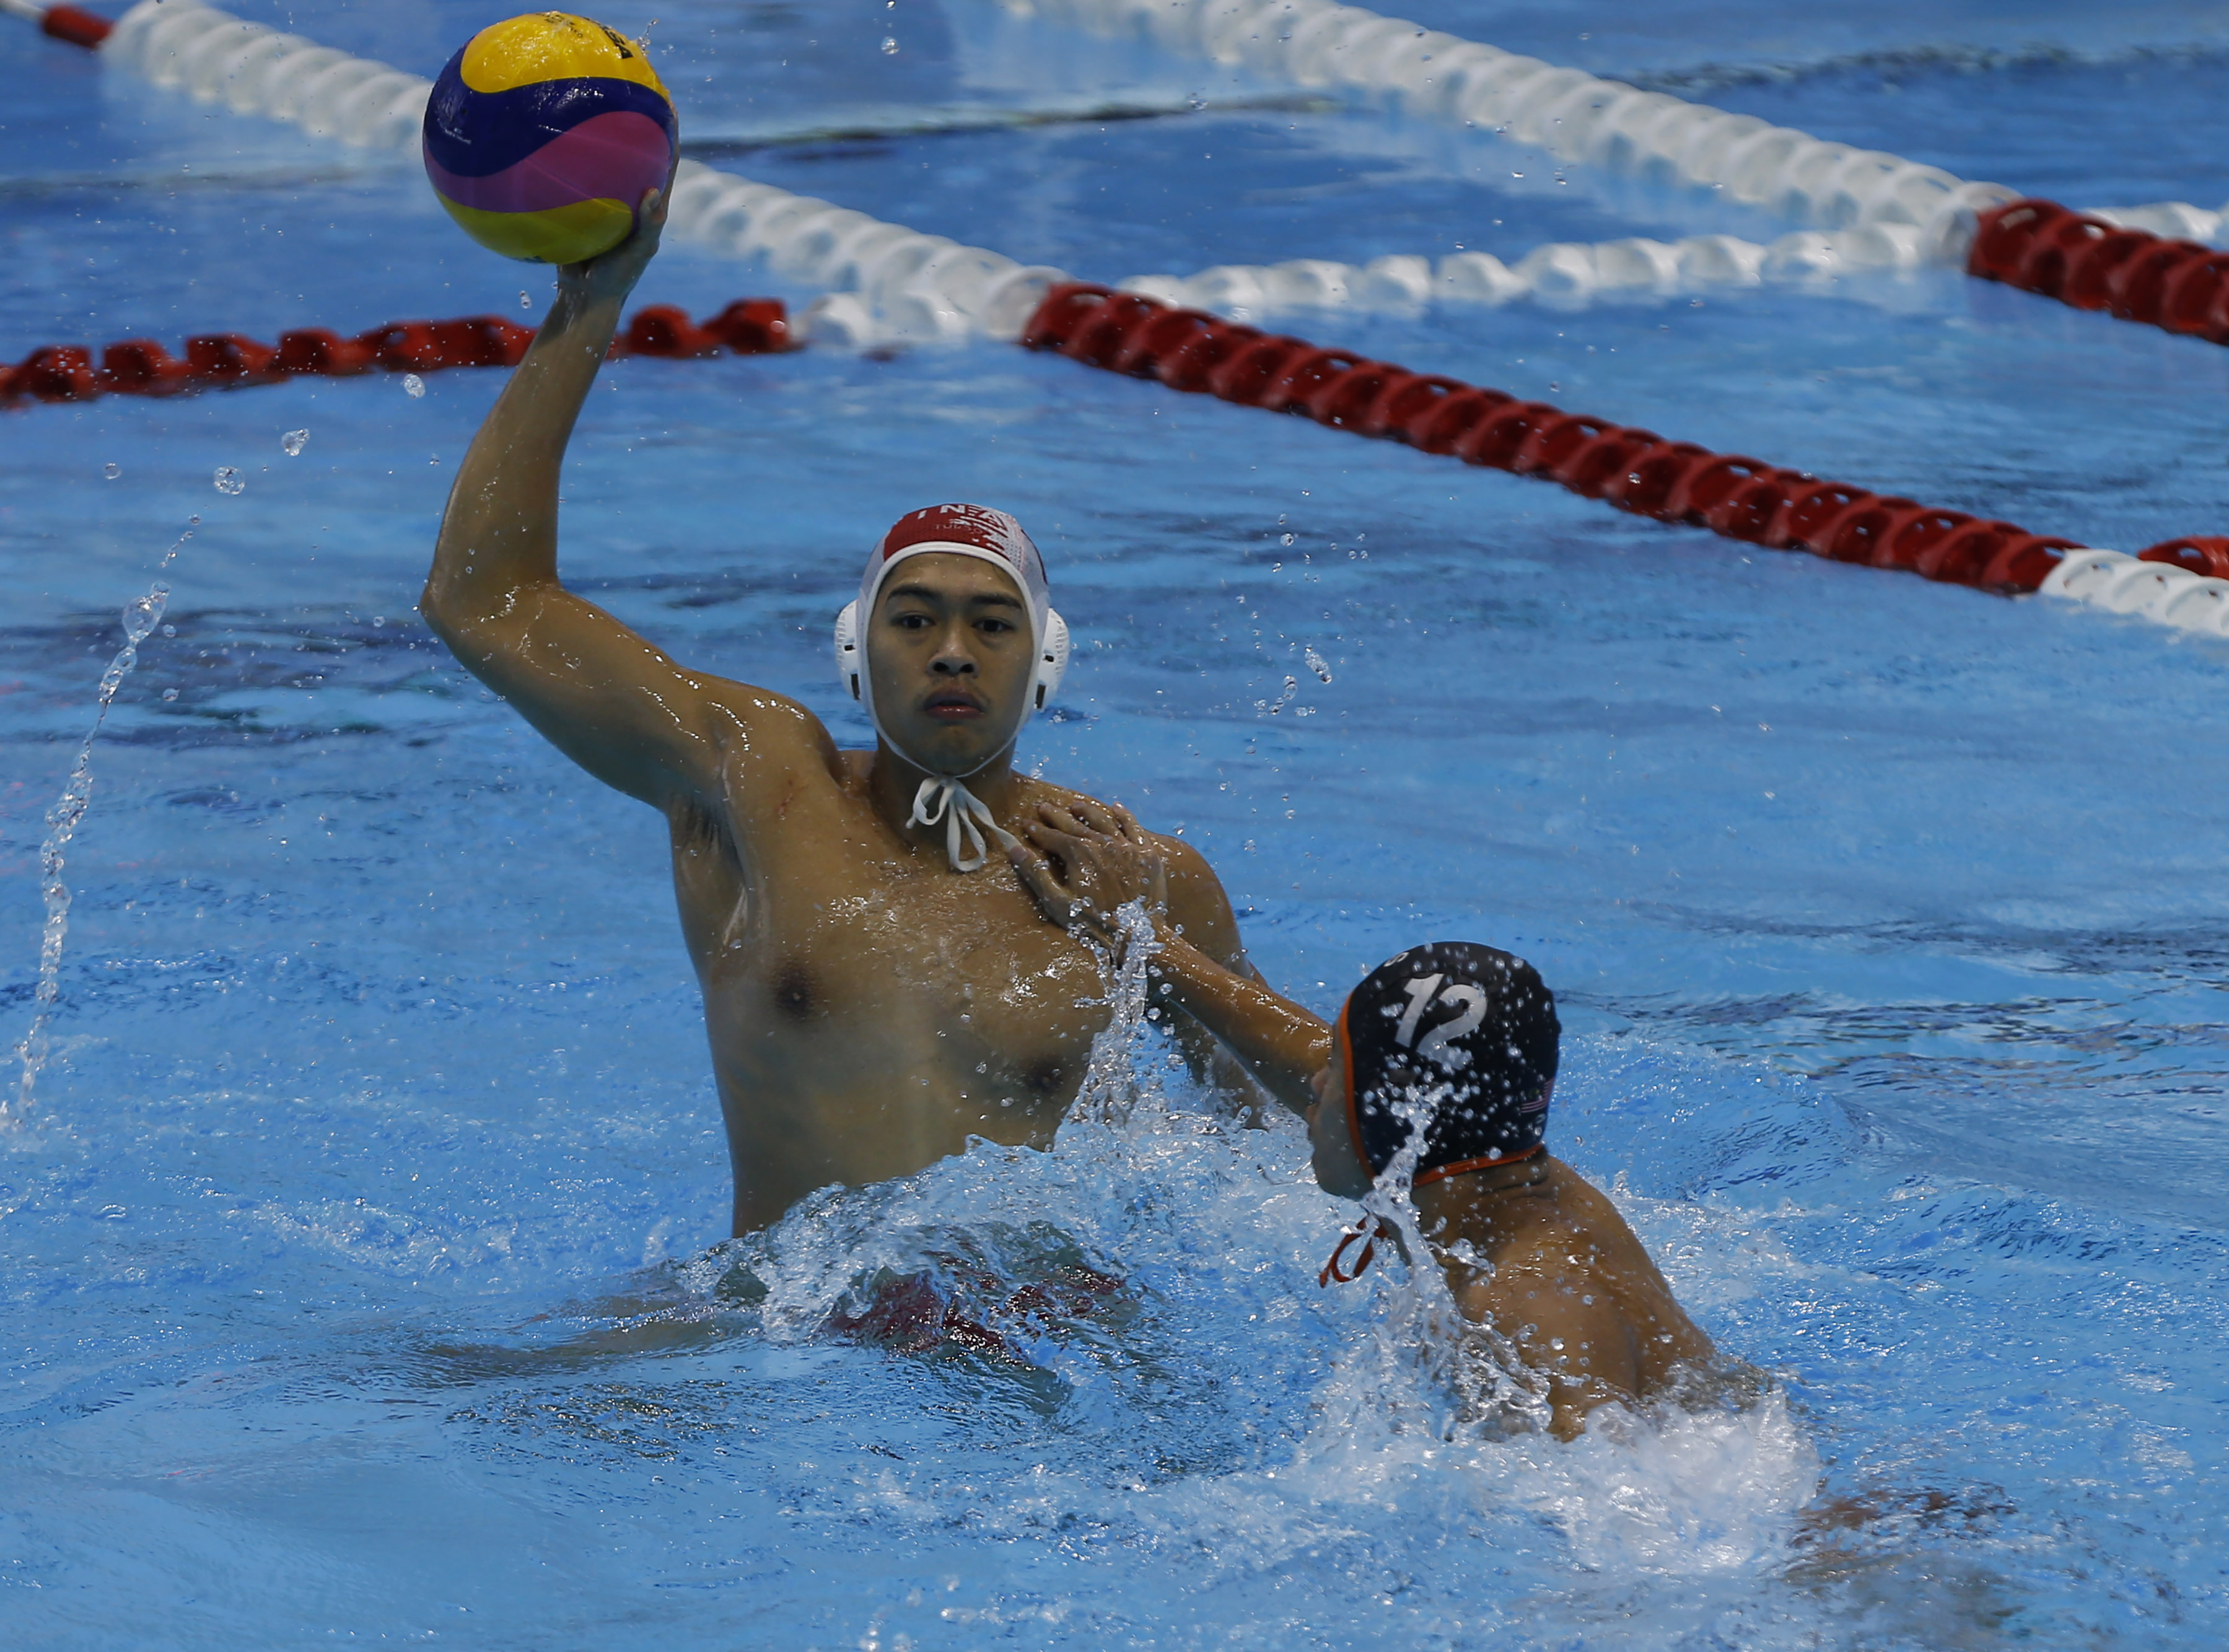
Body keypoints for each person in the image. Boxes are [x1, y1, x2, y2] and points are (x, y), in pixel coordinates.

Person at [421, 181, 1256, 1235]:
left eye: (992, 625)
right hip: (785, 1328)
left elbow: (1293, 1139)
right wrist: (590, 309)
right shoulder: (758, 782)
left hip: (1035, 1330)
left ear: (1045, 662)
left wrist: (1157, 951)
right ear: (855, 652)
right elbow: (483, 600)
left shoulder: (1135, 872)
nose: (952, 651)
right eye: (913, 620)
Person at [1014, 813, 1718, 1440]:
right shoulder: (1503, 1168)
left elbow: (1616, 1503)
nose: (1312, 1083)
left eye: (1337, 1073)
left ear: (1395, 1115)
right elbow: (1318, 1062)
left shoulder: (1518, 1305)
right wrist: (1150, 943)